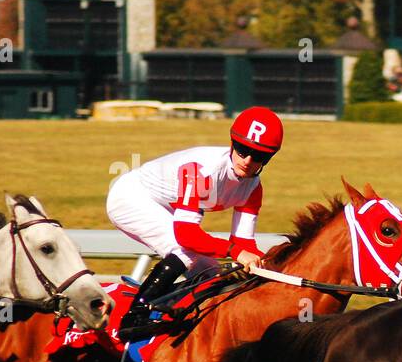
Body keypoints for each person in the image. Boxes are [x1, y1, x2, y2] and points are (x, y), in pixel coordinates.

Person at [106, 106, 282, 336]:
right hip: (130, 197)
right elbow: (187, 235)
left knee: (211, 271)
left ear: (268, 159)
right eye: (242, 150)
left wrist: (263, 264)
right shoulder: (203, 170)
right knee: (184, 251)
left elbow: (243, 243)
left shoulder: (253, 189)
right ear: (232, 143)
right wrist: (235, 251)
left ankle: (181, 314)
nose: (248, 161)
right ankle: (135, 316)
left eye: (258, 156)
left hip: (165, 206)